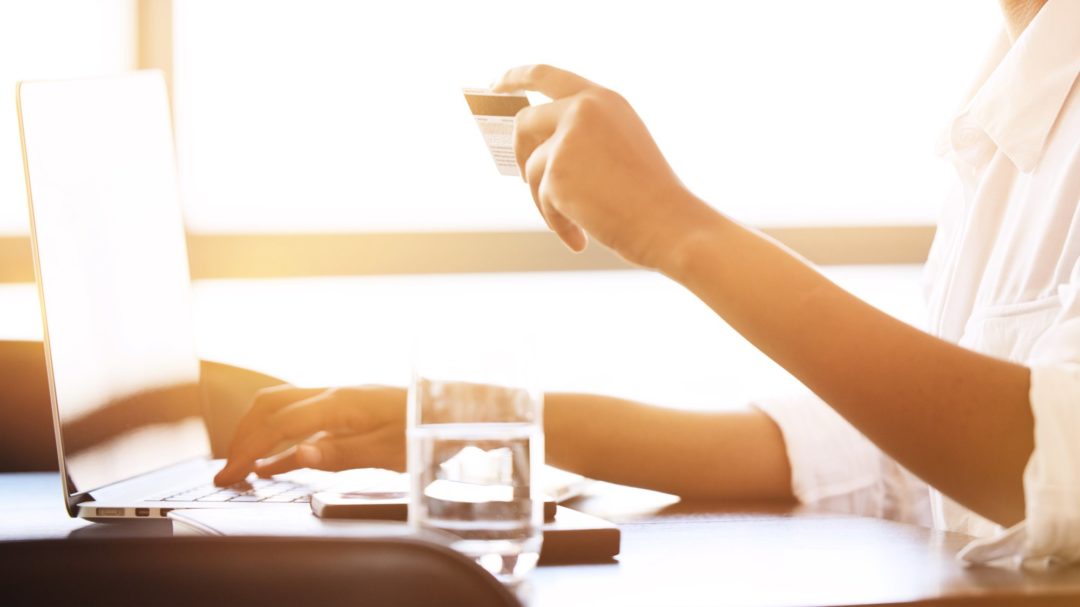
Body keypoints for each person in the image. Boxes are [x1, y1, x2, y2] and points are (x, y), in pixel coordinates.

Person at [215, 0, 1079, 567]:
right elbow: (901, 457)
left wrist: (675, 226)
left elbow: (1056, 465)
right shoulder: (1011, 98)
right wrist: (492, 425)